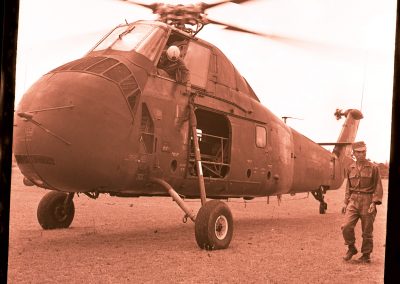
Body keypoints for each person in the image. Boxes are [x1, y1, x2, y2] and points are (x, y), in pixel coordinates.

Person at [341, 141, 383, 263]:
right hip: (353, 200)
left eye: (363, 151)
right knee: (346, 226)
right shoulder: (350, 168)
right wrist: (345, 202)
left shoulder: (373, 167)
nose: (361, 154)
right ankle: (351, 247)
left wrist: (374, 203)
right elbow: (348, 187)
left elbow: (378, 187)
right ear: (354, 153)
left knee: (367, 230)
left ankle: (366, 255)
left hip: (368, 200)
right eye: (358, 152)